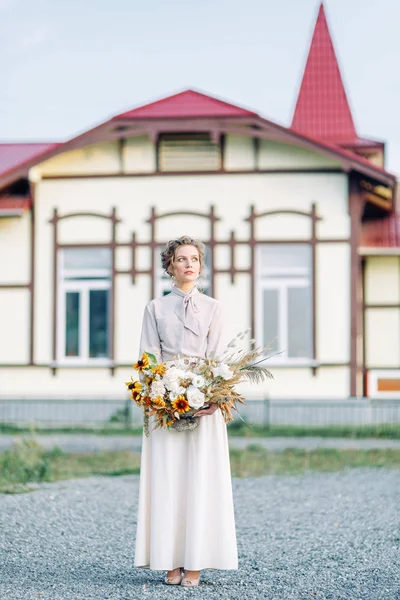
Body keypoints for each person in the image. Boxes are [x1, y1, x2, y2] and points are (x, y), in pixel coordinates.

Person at [134, 235, 238, 587]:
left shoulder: (214, 308)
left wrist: (212, 396)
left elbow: (219, 358)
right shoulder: (155, 308)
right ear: (170, 265)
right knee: (168, 480)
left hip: (205, 407)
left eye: (194, 258)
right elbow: (148, 358)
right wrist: (162, 396)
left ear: (201, 265)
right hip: (165, 407)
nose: (189, 264)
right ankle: (169, 560)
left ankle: (194, 562)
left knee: (199, 480)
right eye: (181, 258)